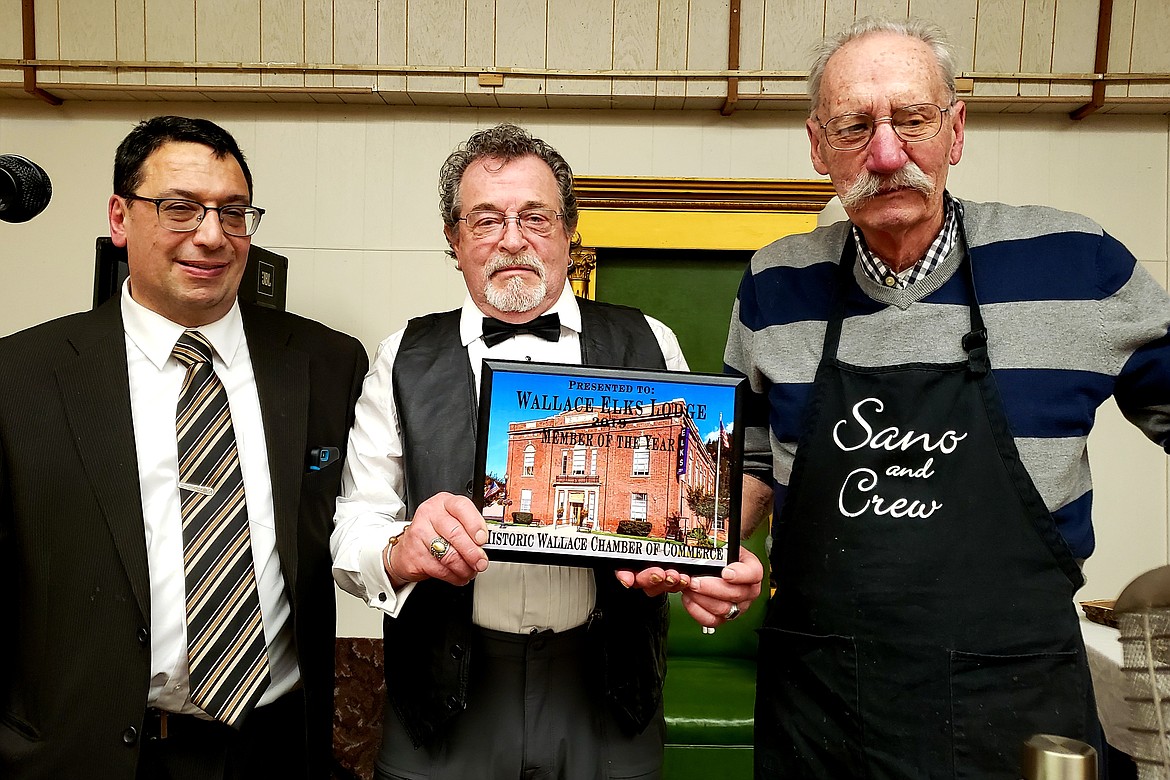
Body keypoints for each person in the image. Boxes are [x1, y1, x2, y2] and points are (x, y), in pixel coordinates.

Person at [724, 17, 1170, 779]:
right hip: (821, 709)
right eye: (855, 125)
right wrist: (707, 547)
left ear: (955, 130)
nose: (887, 152)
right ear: (817, 145)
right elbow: (752, 457)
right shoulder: (775, 281)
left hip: (1018, 706)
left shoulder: (1075, 263)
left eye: (912, 119)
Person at [332, 122, 763, 780]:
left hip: (608, 691)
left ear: (568, 232)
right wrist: (398, 550)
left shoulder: (651, 341)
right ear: (454, 240)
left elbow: (688, 509)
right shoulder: (401, 358)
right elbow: (353, 527)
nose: (512, 238)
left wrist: (704, 569)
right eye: (485, 220)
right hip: (445, 693)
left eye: (535, 216)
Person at [0, 116, 368, 779]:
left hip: (277, 749)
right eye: (179, 209)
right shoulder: (21, 378)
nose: (210, 235)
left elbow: (360, 520)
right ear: (120, 218)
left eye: (233, 213)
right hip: (90, 753)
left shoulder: (326, 364)